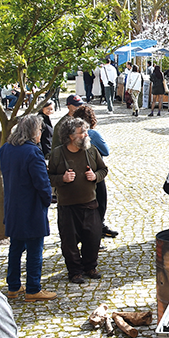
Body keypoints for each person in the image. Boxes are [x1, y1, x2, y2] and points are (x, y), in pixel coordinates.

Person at [0, 114, 55, 301]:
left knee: (15, 248)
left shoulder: (6, 149)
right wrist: (47, 200)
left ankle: (13, 286)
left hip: (13, 205)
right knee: (34, 249)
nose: (41, 133)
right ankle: (33, 288)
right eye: (39, 130)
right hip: (30, 206)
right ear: (33, 131)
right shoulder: (32, 152)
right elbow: (42, 182)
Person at [48, 116, 108, 284]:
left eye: (86, 131)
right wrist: (62, 179)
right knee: (69, 241)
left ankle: (90, 266)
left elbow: (103, 169)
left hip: (90, 203)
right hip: (67, 206)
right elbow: (49, 177)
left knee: (93, 237)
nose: (85, 135)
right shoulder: (57, 154)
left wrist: (95, 176)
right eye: (81, 132)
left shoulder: (91, 151)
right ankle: (75, 271)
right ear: (70, 136)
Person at [73, 105, 117, 238]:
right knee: (99, 203)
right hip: (94, 171)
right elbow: (106, 151)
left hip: (77, 173)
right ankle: (95, 232)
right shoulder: (92, 134)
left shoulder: (71, 134)